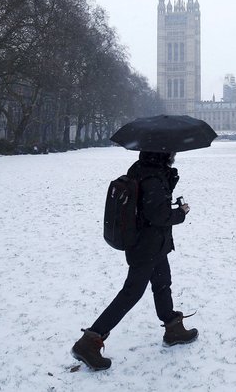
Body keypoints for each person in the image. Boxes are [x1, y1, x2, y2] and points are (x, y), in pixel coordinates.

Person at [72, 151, 198, 370]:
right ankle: (89, 342)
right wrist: (181, 213)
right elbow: (157, 215)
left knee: (162, 283)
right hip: (147, 245)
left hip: (151, 244)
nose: (175, 154)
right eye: (172, 151)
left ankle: (173, 327)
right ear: (163, 153)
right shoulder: (153, 177)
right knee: (131, 293)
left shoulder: (142, 169)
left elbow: (148, 205)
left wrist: (169, 180)